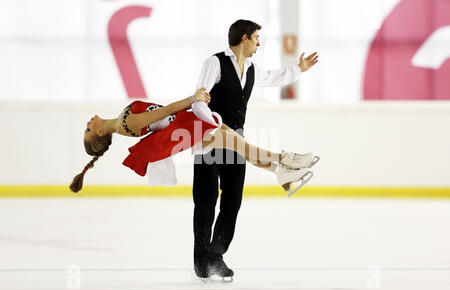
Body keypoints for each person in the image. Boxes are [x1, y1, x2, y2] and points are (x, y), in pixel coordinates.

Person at [191, 19, 319, 281]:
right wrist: (217, 125)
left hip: (236, 140)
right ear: (245, 38)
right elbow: (198, 100)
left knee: (232, 201)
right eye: (257, 38)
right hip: (207, 139)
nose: (259, 44)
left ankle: (216, 255)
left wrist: (298, 69)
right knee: (205, 201)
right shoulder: (215, 62)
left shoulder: (250, 68)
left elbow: (272, 78)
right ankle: (201, 260)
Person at [70, 88, 318, 196]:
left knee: (237, 143)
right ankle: (285, 160)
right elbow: (165, 111)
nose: (88, 122)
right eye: (88, 129)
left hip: (185, 126)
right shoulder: (128, 123)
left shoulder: (123, 121)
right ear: (99, 133)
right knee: (237, 143)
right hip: (186, 129)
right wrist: (194, 98)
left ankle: (281, 172)